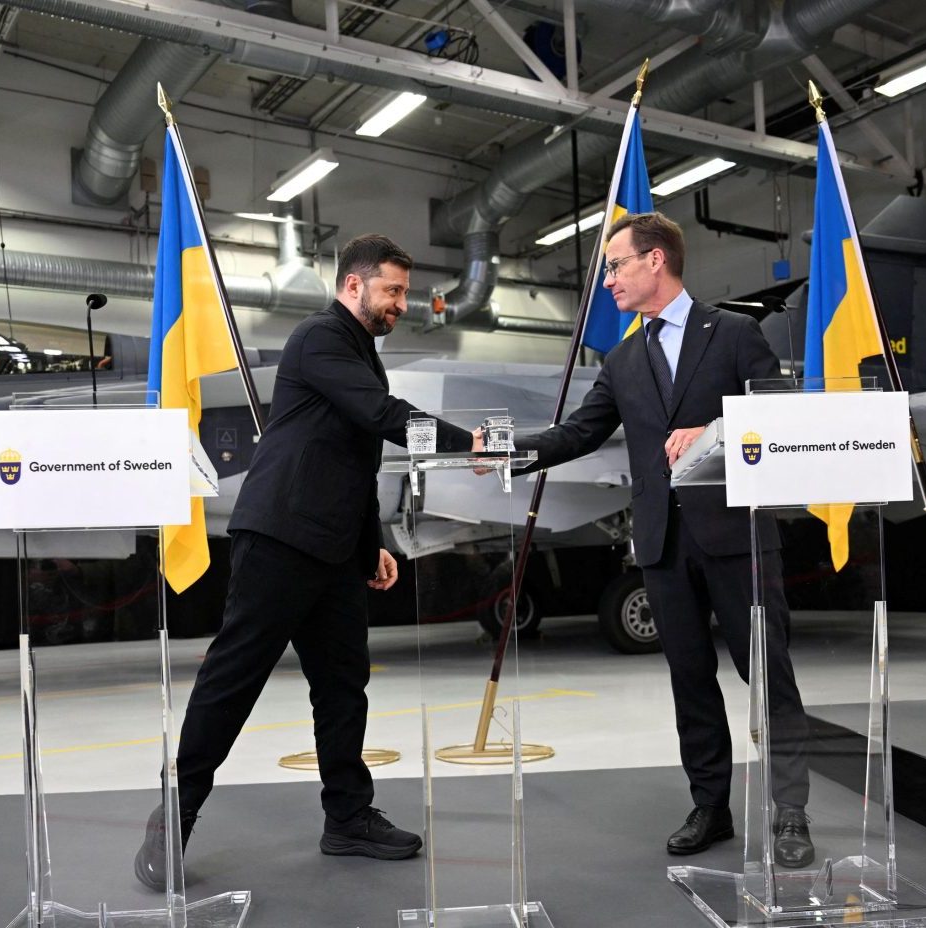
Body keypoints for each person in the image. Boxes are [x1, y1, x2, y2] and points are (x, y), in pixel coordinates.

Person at [135, 233, 482, 889]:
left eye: (403, 292)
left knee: (343, 684)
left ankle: (347, 818)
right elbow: (381, 415)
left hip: (335, 550)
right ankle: (173, 815)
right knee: (234, 679)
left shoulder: (358, 352)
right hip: (281, 539)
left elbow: (351, 458)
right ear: (353, 285)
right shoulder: (319, 337)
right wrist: (472, 445)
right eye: (392, 290)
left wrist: (370, 544)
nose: (401, 303)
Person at [514, 212, 814, 867]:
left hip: (737, 535)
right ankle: (710, 807)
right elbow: (579, 432)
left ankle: (790, 811)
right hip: (663, 544)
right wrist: (504, 451)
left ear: (655, 260)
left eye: (615, 265)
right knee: (689, 680)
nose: (608, 281)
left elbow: (781, 414)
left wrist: (716, 431)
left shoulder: (732, 333)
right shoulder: (623, 357)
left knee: (769, 677)